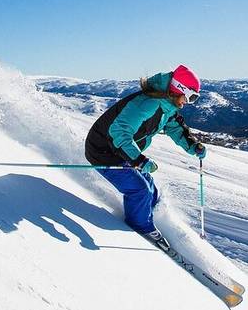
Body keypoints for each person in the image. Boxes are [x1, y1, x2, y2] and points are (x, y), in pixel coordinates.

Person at [84, 64, 207, 248]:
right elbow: (119, 132)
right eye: (191, 97)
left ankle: (150, 219)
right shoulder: (147, 104)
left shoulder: (167, 105)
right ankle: (140, 228)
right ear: (178, 89)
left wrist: (192, 146)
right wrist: (139, 160)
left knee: (151, 189)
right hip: (103, 151)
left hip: (121, 150)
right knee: (140, 190)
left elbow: (175, 127)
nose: (188, 102)